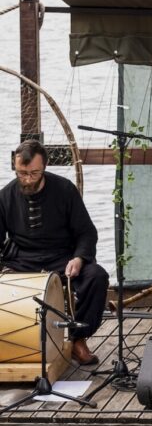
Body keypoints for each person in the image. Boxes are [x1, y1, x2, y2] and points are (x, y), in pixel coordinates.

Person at [0, 140, 108, 365]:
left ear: (45, 168)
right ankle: (10, 343)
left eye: (33, 173)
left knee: (97, 276)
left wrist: (79, 258)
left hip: (62, 258)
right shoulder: (5, 196)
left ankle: (78, 340)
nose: (27, 179)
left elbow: (86, 232)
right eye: (22, 173)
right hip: (22, 259)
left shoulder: (65, 189)